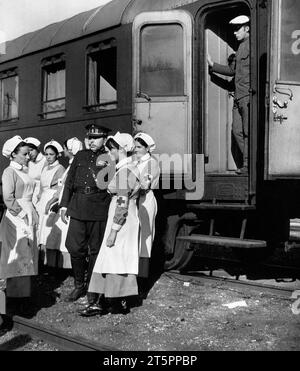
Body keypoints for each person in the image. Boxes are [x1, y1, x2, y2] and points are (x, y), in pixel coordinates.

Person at [79, 132, 140, 317]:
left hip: (121, 220)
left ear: (122, 149)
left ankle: (113, 302)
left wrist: (114, 230)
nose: (108, 152)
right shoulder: (128, 169)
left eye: (112, 149)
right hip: (125, 218)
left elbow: (122, 204)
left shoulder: (125, 172)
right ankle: (111, 300)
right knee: (116, 259)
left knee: (114, 258)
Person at [60, 123, 111, 303]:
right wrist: (64, 205)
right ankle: (79, 285)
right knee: (74, 247)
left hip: (98, 207)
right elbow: (69, 182)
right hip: (78, 205)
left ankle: (92, 287)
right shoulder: (80, 156)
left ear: (104, 139)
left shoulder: (109, 157)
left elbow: (110, 186)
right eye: (89, 137)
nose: (92, 141)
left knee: (96, 250)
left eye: (96, 138)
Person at [0, 136, 39, 317]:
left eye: (28, 152)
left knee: (28, 256)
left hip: (28, 214)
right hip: (16, 218)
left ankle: (24, 296)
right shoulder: (9, 172)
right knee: (17, 255)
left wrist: (34, 212)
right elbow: (8, 197)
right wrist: (23, 214)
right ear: (13, 154)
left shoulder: (24, 170)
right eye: (24, 154)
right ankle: (14, 299)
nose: (28, 156)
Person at [208, 15, 250, 174]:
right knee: (237, 131)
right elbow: (233, 71)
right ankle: (249, 163)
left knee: (247, 132)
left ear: (247, 28)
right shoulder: (240, 48)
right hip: (239, 97)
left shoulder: (252, 46)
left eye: (237, 29)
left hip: (247, 97)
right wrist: (213, 65)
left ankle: (248, 166)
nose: (234, 32)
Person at [45, 137, 83, 268]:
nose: (64, 150)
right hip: (63, 203)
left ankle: (70, 265)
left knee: (68, 237)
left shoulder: (75, 166)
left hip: (69, 205)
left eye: (66, 148)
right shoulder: (70, 165)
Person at [133, 132, 160, 296]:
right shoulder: (134, 162)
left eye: (139, 147)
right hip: (133, 202)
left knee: (144, 239)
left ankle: (142, 284)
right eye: (134, 147)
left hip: (144, 201)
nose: (135, 150)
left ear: (146, 148)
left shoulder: (152, 163)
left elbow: (145, 184)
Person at [35, 140, 65, 265]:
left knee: (49, 230)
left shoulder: (60, 169)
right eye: (46, 154)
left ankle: (51, 262)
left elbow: (60, 188)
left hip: (52, 200)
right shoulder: (45, 167)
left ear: (57, 155)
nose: (48, 157)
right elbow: (42, 186)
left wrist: (50, 202)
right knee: (39, 229)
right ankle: (40, 259)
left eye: (51, 154)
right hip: (42, 200)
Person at [24, 137, 47, 205]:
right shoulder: (29, 162)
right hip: (30, 193)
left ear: (37, 149)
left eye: (31, 150)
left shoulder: (45, 160)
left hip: (41, 194)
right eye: (28, 152)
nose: (30, 153)